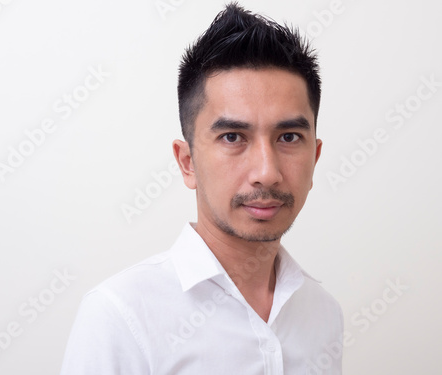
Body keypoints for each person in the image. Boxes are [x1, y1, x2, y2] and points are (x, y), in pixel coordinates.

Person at [60, 3, 343, 374]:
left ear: (315, 156)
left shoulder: (322, 312)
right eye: (232, 137)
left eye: (289, 136)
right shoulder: (120, 316)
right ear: (187, 162)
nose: (267, 172)